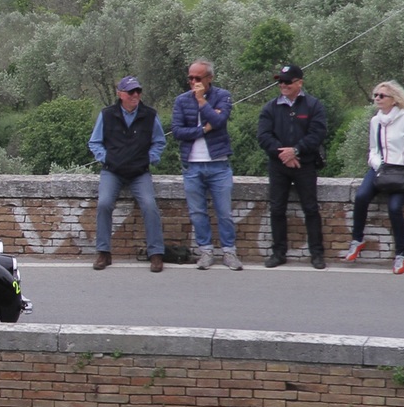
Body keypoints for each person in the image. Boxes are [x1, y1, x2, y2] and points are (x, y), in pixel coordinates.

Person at [342, 81, 404, 275]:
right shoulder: (375, 121)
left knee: (394, 208)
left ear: (394, 99)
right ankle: (357, 239)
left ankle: (401, 254)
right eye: (375, 95)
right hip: (381, 169)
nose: (377, 98)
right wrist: (377, 163)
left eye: (381, 95)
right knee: (361, 196)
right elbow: (373, 149)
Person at [88, 75, 167, 272]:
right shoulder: (107, 114)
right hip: (112, 171)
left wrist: (150, 159)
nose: (135, 95)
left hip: (140, 172)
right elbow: (95, 142)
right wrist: (106, 158)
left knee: (149, 205)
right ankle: (103, 253)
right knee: (104, 204)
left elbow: (159, 142)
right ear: (120, 94)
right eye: (131, 92)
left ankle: (156, 253)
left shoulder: (150, 115)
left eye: (138, 91)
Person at [171, 59, 242, 271]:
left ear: (209, 78)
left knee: (224, 212)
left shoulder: (222, 96)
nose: (193, 82)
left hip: (218, 165)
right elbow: (177, 131)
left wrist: (202, 101)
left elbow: (219, 122)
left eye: (198, 78)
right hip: (192, 165)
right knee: (197, 212)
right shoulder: (181, 101)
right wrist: (203, 130)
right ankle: (206, 251)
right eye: (190, 78)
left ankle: (229, 252)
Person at [256, 63, 329, 269]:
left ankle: (317, 253)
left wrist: (295, 151)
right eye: (280, 81)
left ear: (299, 83)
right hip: (278, 165)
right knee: (277, 209)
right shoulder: (270, 108)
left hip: (305, 164)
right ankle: (278, 253)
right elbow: (263, 136)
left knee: (311, 209)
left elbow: (318, 133)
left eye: (287, 82)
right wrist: (284, 154)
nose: (283, 85)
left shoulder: (314, 106)